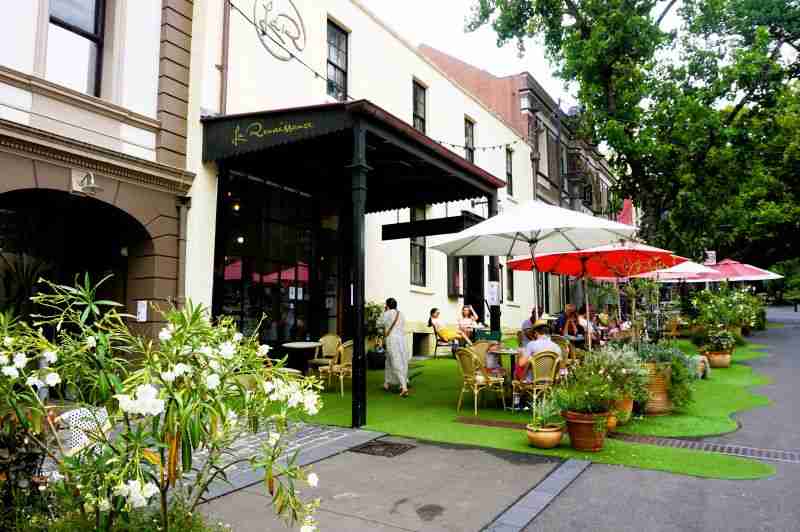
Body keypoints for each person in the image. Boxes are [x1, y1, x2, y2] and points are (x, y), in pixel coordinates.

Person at [382, 298, 411, 397]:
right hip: (402, 340)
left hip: (392, 340)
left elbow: (379, 323)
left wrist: (384, 312)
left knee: (394, 361)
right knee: (397, 360)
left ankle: (404, 387)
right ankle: (387, 382)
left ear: (387, 305)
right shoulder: (401, 314)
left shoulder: (387, 313)